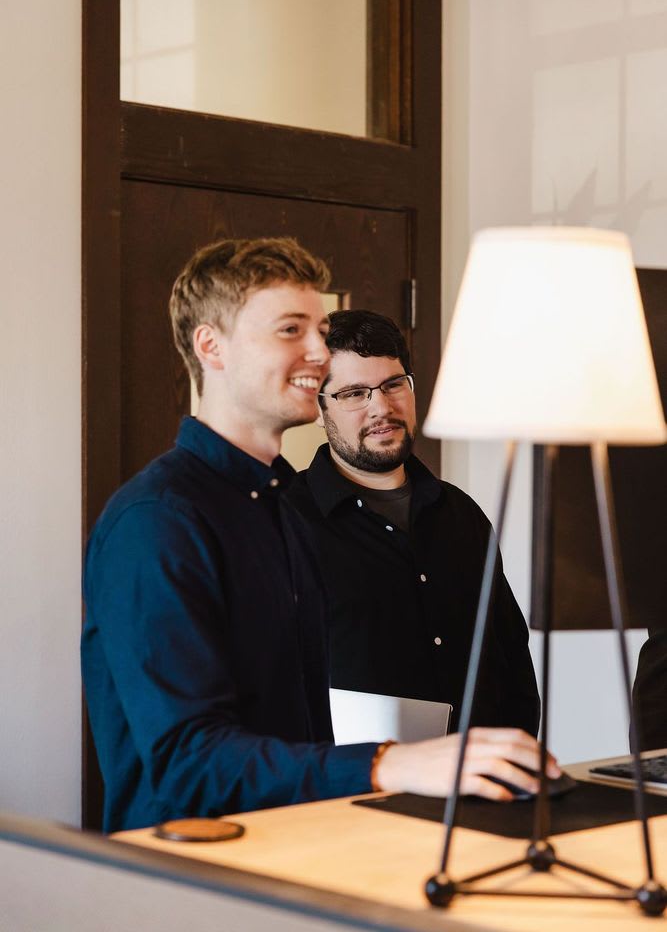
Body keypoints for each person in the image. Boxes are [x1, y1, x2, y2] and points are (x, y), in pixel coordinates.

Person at [82, 238, 557, 834]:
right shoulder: (155, 520)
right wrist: (392, 764)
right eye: (290, 330)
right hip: (193, 885)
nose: (316, 352)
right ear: (211, 346)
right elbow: (186, 766)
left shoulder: (276, 506)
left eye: (319, 328)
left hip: (311, 853)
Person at [288, 309, 540, 735]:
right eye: (353, 393)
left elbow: (511, 657)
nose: (381, 408)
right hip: (351, 789)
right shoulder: (285, 521)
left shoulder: (462, 514)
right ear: (318, 407)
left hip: (478, 785)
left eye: (393, 384)